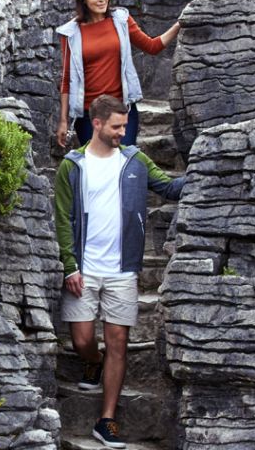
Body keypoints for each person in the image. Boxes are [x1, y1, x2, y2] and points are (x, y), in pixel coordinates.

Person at [54, 95, 186, 448]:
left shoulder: (135, 160)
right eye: (116, 127)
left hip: (122, 271)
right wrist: (70, 266)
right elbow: (63, 220)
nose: (122, 133)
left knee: (119, 343)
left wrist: (213, 167)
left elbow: (169, 187)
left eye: (125, 126)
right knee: (82, 340)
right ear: (96, 124)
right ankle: (91, 362)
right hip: (83, 268)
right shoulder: (72, 165)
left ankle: (106, 420)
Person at [54, 0, 182, 150]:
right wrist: (63, 120)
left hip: (122, 109)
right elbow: (66, 79)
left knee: (124, 162)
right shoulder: (71, 33)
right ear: (83, 0)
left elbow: (152, 46)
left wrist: (180, 24)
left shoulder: (121, 20)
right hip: (88, 115)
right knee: (98, 168)